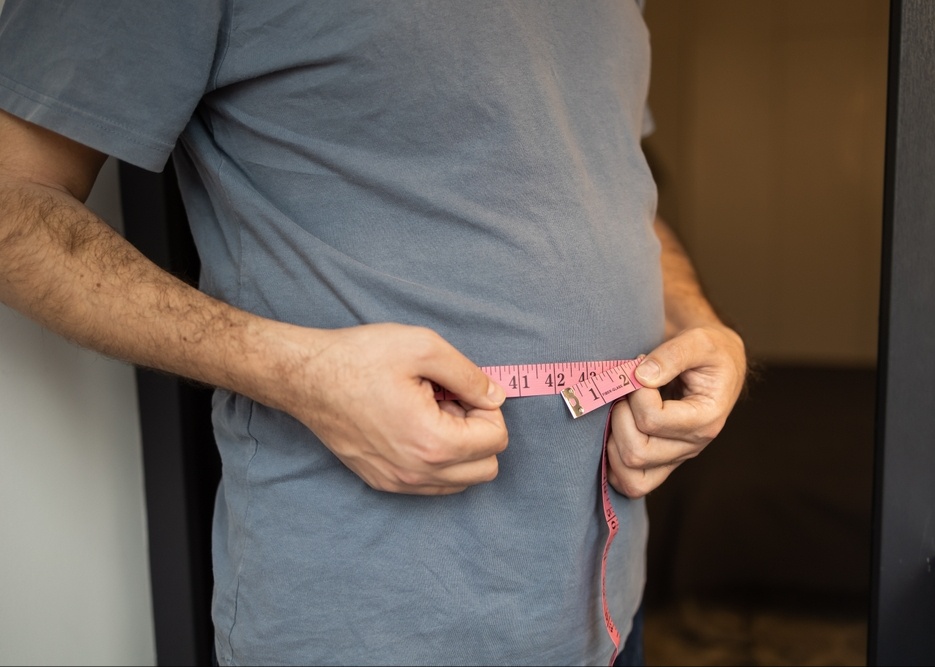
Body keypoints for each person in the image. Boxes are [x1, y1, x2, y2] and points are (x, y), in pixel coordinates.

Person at [0, 1, 746, 665]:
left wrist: (698, 322)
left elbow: (602, 186)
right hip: (374, 621)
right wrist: (296, 372)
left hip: (606, 602)